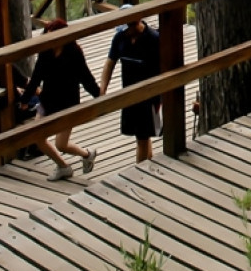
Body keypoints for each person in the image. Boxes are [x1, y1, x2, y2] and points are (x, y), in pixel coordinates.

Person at [20, 18, 100, 181]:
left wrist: (99, 96)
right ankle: (63, 166)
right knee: (37, 137)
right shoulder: (45, 52)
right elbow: (36, 78)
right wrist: (25, 99)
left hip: (67, 103)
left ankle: (87, 154)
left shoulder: (74, 53)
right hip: (47, 99)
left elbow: (86, 78)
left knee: (61, 144)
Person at [100, 9, 160, 163]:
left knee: (142, 137)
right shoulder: (120, 38)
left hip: (149, 95)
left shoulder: (153, 39)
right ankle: (149, 163)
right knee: (141, 136)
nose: (124, 31)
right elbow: (109, 63)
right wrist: (102, 90)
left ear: (136, 23)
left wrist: (160, 99)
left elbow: (162, 69)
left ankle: (139, 173)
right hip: (128, 93)